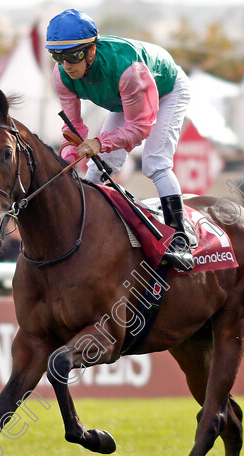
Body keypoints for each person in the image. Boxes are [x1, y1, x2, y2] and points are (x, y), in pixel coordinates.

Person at [46, 8, 194, 270]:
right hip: (125, 99)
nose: (66, 64)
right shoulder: (62, 76)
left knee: (155, 161)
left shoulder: (128, 71)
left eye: (72, 55)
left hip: (167, 91)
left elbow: (140, 128)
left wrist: (100, 143)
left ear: (91, 50)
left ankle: (180, 237)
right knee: (95, 169)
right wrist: (65, 163)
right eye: (57, 56)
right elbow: (74, 128)